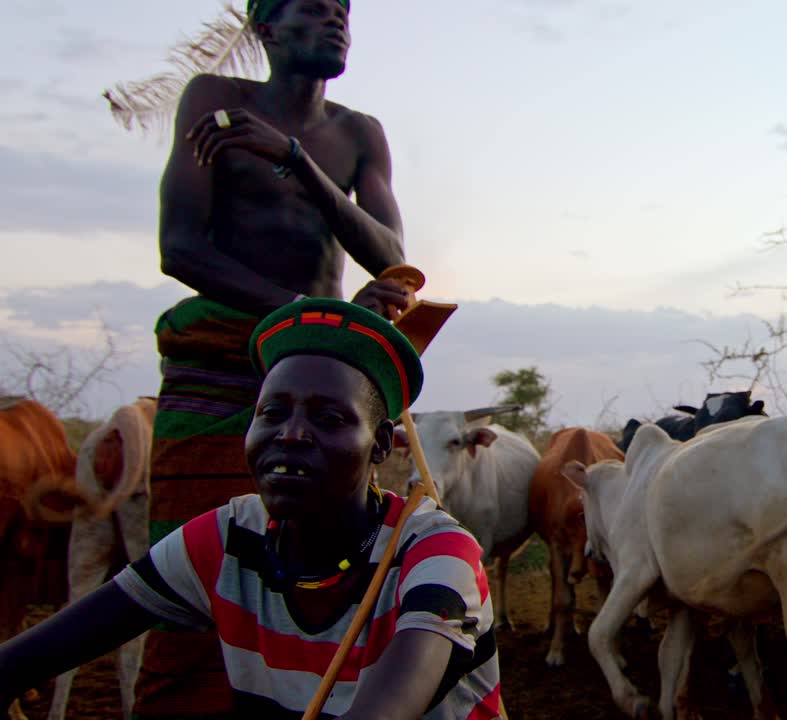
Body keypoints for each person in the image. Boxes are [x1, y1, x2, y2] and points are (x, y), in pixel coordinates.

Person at [104, 0, 415, 713]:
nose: (335, 20)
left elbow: (391, 256)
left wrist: (297, 163)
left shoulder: (358, 134)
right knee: (197, 583)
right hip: (220, 369)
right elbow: (179, 246)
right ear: (267, 30)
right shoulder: (215, 99)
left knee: (323, 570)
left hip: (318, 369)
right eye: (313, 8)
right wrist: (301, 318)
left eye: (342, 10)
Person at [0, 299, 502, 720]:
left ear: (379, 448)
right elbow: (30, 657)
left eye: (329, 417)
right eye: (271, 413)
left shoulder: (438, 554)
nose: (290, 434)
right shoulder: (226, 538)